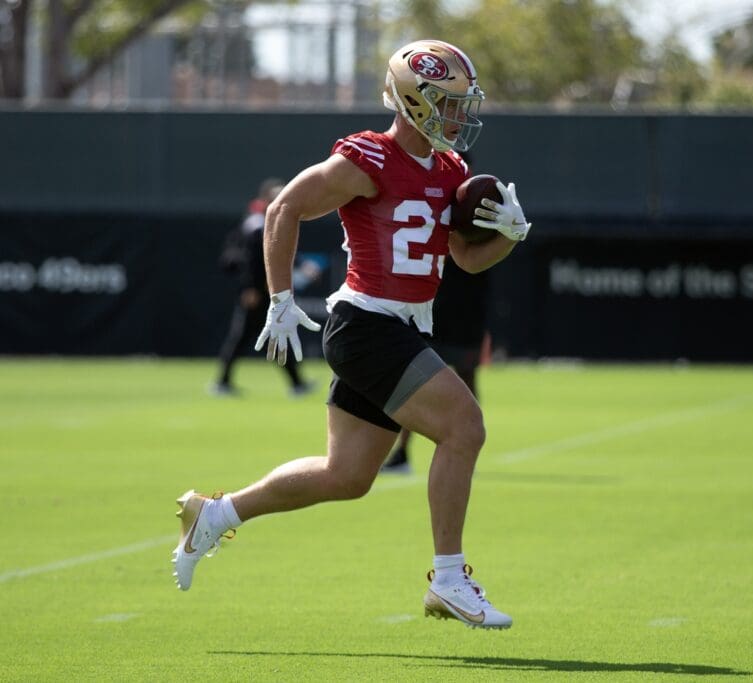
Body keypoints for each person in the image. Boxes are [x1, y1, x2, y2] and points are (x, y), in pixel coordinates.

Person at [172, 40, 531, 630]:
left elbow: (466, 259)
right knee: (465, 427)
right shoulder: (370, 157)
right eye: (449, 104)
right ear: (415, 102)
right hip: (367, 324)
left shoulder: (450, 170)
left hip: (398, 328)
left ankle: (215, 514)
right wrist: (280, 298)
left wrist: (509, 236)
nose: (459, 117)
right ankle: (448, 578)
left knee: (347, 476)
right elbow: (285, 208)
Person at [382, 151, 491, 474]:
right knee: (415, 381)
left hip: (466, 307)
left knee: (467, 377)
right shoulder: (430, 200)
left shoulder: (480, 205)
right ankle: (402, 452)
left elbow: (479, 260)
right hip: (432, 308)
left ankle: (466, 442)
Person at [210, 178, 315, 398]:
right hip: (257, 292)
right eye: (276, 195)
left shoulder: (267, 220)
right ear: (265, 198)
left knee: (268, 335)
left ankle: (297, 383)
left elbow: (277, 252)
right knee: (244, 336)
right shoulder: (257, 223)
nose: (280, 198)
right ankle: (222, 383)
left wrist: (301, 265)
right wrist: (250, 288)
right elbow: (251, 259)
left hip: (266, 291)